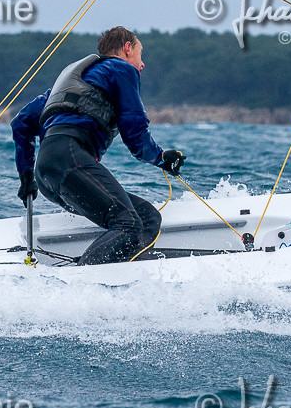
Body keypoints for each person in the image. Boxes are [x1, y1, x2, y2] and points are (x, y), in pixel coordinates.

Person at [11, 26, 186, 265]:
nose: (142, 64)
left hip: (47, 175)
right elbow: (135, 133)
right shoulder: (121, 68)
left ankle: (127, 277)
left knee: (146, 218)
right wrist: (161, 158)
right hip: (69, 160)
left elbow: (20, 123)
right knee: (129, 224)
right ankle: (81, 283)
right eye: (140, 54)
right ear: (127, 48)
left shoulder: (72, 84)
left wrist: (26, 178)